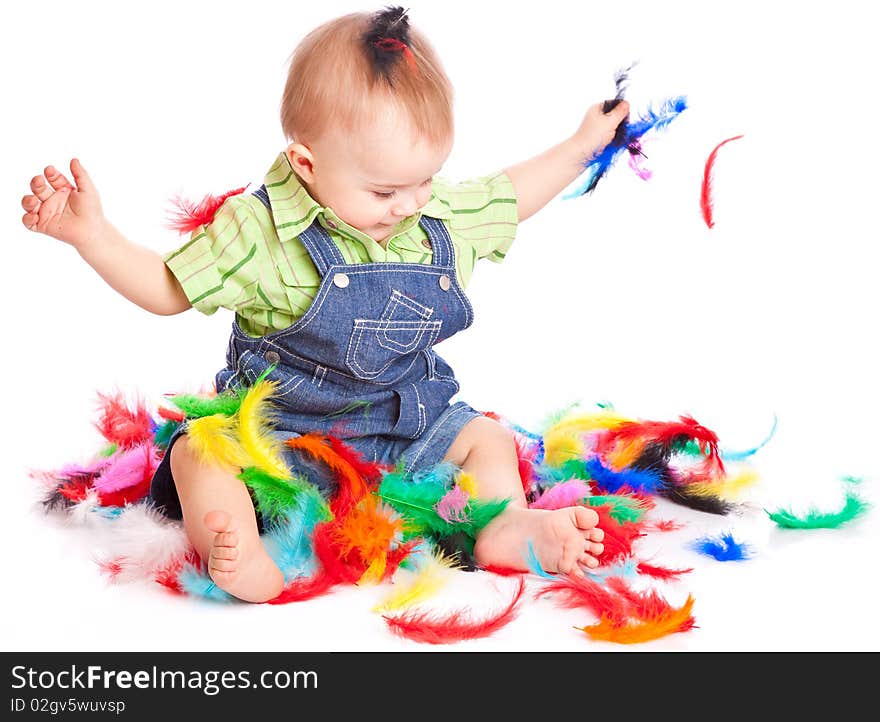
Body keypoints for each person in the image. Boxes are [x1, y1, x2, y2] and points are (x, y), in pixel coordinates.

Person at [20, 7, 626, 603]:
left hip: (404, 430)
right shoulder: (262, 230)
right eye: (385, 190)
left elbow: (509, 196)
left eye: (426, 178)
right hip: (281, 448)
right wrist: (93, 237)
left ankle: (505, 526)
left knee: (486, 440)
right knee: (197, 451)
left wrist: (581, 145)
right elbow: (167, 288)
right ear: (306, 163)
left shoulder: (434, 213)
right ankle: (237, 554)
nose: (410, 203)